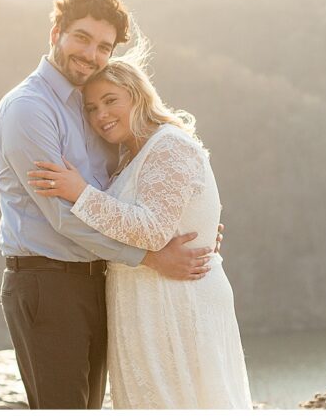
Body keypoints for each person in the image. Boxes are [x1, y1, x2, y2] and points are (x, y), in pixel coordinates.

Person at [0, 0, 218, 410]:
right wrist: (151, 257)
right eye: (82, 38)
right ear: (56, 33)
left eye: (104, 47)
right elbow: (65, 215)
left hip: (100, 281)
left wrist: (194, 227)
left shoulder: (92, 105)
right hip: (48, 284)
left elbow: (131, 193)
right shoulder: (29, 109)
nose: (91, 54)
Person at [28, 52, 253, 409]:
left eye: (110, 101)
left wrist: (80, 193)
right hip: (142, 304)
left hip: (176, 301)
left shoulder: (170, 145)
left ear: (138, 96)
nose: (101, 115)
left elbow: (153, 230)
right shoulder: (130, 157)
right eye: (91, 108)